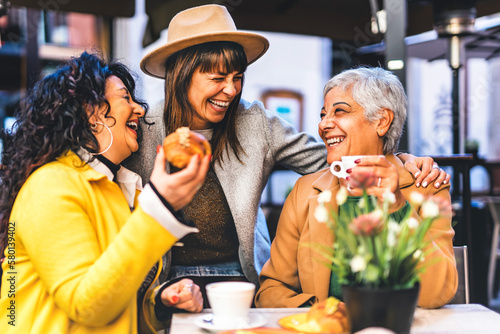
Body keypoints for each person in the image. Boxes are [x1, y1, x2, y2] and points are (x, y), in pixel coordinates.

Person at [126, 4, 450, 309]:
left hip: (241, 280)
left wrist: (397, 161)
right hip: (165, 280)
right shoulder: (141, 130)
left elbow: (336, 161)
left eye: (237, 78)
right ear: (182, 75)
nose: (231, 90)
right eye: (217, 78)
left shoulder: (256, 123)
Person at [0, 52, 210, 333]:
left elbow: (113, 294)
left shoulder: (119, 188)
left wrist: (160, 302)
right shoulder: (51, 185)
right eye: (126, 98)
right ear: (92, 112)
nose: (140, 110)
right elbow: (87, 306)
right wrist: (159, 205)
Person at [254, 67, 458, 309]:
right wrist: (323, 315)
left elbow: (438, 293)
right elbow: (271, 290)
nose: (324, 124)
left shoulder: (427, 187)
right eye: (323, 114)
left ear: (382, 121)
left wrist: (398, 208)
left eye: (339, 111)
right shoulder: (304, 191)